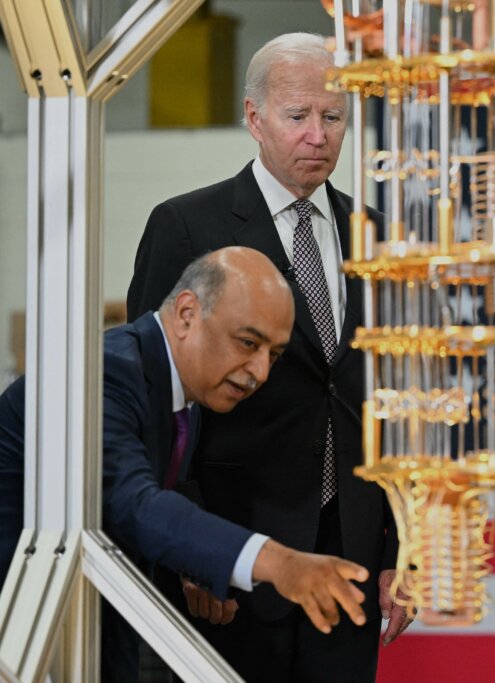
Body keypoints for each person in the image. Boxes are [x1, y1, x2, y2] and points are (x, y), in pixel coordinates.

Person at [126, 33, 409, 682]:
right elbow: (155, 401)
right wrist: (190, 550)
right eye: (298, 116)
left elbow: (395, 395)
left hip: (351, 559)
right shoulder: (187, 228)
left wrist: (401, 544)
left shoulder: (377, 234)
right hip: (233, 554)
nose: (318, 136)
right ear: (254, 119)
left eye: (333, 117)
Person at [0, 247, 371, 682]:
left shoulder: (182, 395)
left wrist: (198, 564)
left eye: (273, 354)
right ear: (187, 313)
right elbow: (135, 505)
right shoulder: (104, 374)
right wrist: (279, 563)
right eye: (248, 343)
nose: (260, 372)